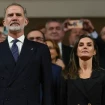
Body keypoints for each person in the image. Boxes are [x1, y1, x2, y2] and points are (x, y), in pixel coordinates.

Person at [1, 3, 53, 105]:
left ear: (26, 21)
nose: (14, 18)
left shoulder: (41, 49)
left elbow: (47, 87)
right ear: (4, 22)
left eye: (18, 15)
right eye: (10, 15)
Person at [58, 35, 105, 105]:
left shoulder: (103, 75)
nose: (85, 47)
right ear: (76, 51)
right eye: (81, 45)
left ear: (94, 51)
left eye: (89, 45)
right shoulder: (66, 75)